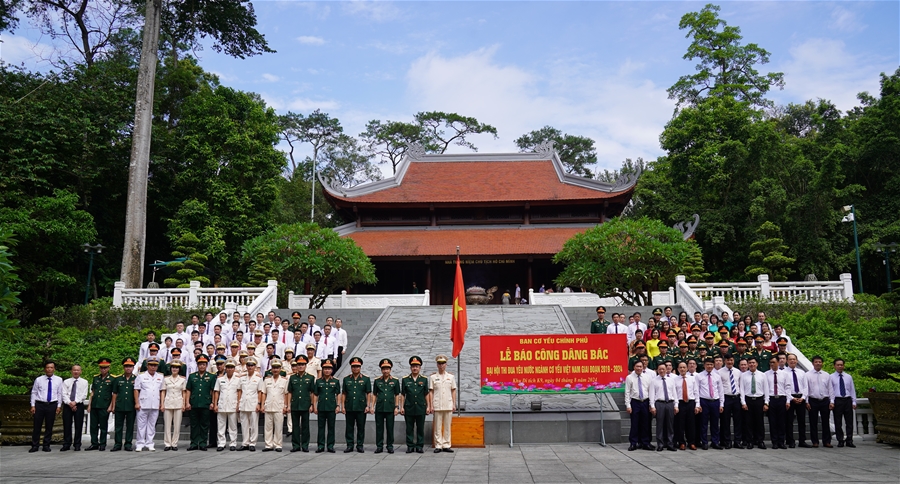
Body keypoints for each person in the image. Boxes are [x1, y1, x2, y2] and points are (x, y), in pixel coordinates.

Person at [30, 361, 63, 453]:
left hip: (52, 404)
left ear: (54, 369)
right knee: (37, 425)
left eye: (51, 367)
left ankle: (46, 445)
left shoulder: (59, 380)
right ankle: (35, 445)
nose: (49, 369)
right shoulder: (39, 379)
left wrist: (59, 406)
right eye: (47, 367)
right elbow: (34, 392)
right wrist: (32, 405)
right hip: (40, 404)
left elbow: (59, 393)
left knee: (49, 426)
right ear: (45, 369)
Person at [185, 354, 215, 451]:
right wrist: (187, 402)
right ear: (197, 365)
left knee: (204, 424)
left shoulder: (211, 376)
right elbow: (188, 390)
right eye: (200, 364)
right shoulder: (192, 376)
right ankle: (193, 443)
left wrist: (213, 402)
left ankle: (202, 443)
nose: (202, 366)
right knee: (194, 424)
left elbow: (213, 391)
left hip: (205, 403)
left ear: (206, 365)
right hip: (194, 403)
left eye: (204, 364)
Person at [342, 356, 372, 453]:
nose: (355, 368)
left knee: (361, 426)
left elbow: (368, 393)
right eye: (354, 366)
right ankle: (349, 445)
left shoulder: (366, 379)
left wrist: (368, 405)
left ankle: (360, 445)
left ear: (360, 367)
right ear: (351, 367)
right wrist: (343, 406)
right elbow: (344, 394)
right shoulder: (346, 379)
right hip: (350, 406)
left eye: (357, 366)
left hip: (361, 407)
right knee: (349, 427)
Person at [134, 358, 164, 452]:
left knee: (151, 425)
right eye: (151, 365)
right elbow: (136, 389)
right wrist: (137, 403)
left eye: (155, 365)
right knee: (141, 425)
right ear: (147, 366)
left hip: (155, 403)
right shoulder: (141, 376)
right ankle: (140, 443)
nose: (153, 367)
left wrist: (161, 404)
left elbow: (162, 390)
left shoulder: (160, 376)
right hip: (143, 403)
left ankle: (150, 443)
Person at [400, 356, 429, 454]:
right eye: (413, 366)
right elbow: (403, 394)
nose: (415, 368)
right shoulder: (405, 380)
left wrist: (428, 406)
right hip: (409, 407)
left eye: (417, 366)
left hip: (421, 407)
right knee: (409, 427)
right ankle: (410, 446)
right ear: (410, 368)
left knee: (420, 427)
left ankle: (420, 446)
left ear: (420, 368)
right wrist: (401, 407)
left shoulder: (424, 379)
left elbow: (426, 394)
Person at [287, 355, 316, 452]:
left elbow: (312, 392)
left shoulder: (310, 378)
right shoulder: (292, 378)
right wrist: (288, 405)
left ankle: (305, 445)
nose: (300, 366)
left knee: (305, 426)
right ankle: (295, 445)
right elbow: (290, 392)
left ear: (306, 366)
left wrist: (312, 404)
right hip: (295, 404)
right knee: (295, 426)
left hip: (305, 404)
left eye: (302, 364)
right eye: (299, 364)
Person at [429, 354, 457, 453]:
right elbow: (431, 392)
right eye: (439, 364)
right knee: (437, 426)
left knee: (447, 426)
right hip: (437, 404)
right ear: (437, 365)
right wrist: (431, 405)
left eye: (443, 363)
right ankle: (438, 445)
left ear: (446, 365)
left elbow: (453, 390)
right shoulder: (433, 377)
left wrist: (454, 403)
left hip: (448, 404)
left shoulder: (451, 377)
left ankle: (446, 444)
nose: (441, 365)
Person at [109, 357, 138, 452]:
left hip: (131, 406)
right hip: (120, 406)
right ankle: (117, 444)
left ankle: (128, 444)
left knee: (130, 426)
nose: (128, 368)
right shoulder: (117, 379)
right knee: (118, 426)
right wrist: (113, 406)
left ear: (133, 367)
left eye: (130, 366)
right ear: (123, 367)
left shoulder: (137, 379)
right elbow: (115, 394)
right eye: (126, 366)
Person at [258, 358, 288, 452]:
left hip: (279, 405)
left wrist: (286, 406)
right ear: (271, 369)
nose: (275, 370)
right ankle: (268, 445)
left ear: (280, 369)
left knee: (278, 427)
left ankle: (278, 445)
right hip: (268, 405)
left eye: (277, 368)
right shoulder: (267, 380)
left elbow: (286, 394)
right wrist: (262, 405)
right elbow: (264, 393)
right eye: (274, 368)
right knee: (268, 427)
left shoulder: (284, 381)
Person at [740, 357, 769, 449]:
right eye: (750, 363)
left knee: (759, 422)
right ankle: (749, 441)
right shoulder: (743, 375)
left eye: (753, 362)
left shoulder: (762, 375)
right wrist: (743, 402)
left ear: (757, 364)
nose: (752, 364)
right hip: (748, 400)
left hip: (759, 400)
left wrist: (766, 402)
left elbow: (766, 389)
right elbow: (742, 390)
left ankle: (760, 441)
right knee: (748, 422)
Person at [373, 358, 401, 454]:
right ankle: (379, 446)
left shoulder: (395, 381)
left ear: (390, 369)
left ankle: (390, 446)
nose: (386, 371)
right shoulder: (377, 381)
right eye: (384, 369)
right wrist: (372, 406)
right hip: (380, 408)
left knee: (390, 428)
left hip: (390, 408)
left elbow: (397, 394)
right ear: (381, 370)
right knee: (379, 428)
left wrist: (396, 407)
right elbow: (375, 394)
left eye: (387, 369)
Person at [85, 358, 114, 451]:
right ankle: (94, 443)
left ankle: (102, 443)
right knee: (93, 426)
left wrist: (111, 406)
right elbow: (92, 392)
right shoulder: (96, 378)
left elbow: (114, 394)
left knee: (103, 426)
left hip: (104, 405)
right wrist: (89, 404)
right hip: (95, 405)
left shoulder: (112, 379)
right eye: (101, 368)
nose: (103, 370)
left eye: (105, 368)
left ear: (109, 368)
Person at [696, 357, 724, 450]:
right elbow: (696, 391)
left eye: (711, 364)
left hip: (715, 401)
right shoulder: (699, 376)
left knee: (715, 423)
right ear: (704, 365)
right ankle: (704, 442)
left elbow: (720, 390)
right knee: (703, 423)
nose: (709, 366)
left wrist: (721, 404)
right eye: (707, 364)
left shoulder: (717, 376)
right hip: (704, 401)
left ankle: (715, 442)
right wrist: (698, 404)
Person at [213, 359, 241, 451]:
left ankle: (233, 443)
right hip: (222, 404)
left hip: (233, 404)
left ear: (234, 369)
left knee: (233, 426)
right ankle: (221, 443)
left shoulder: (238, 379)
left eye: (231, 367)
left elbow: (239, 392)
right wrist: (215, 404)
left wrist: (238, 404)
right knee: (221, 425)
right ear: (225, 368)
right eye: (228, 367)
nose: (229, 369)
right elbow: (216, 392)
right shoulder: (220, 379)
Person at [314, 358, 341, 453]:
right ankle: (320, 445)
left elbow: (338, 394)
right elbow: (315, 394)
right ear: (322, 369)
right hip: (321, 407)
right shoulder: (318, 381)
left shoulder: (336, 381)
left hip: (331, 407)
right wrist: (314, 406)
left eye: (329, 368)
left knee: (331, 427)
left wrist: (338, 405)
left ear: (332, 370)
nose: (327, 370)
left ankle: (330, 445)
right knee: (321, 427)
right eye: (325, 368)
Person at [649, 363, 678, 451]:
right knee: (660, 424)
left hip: (670, 403)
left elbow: (674, 393)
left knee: (670, 424)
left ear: (666, 370)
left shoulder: (671, 380)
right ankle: (660, 444)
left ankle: (670, 443)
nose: (661, 371)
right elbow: (652, 394)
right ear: (657, 370)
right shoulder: (654, 381)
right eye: (660, 369)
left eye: (663, 369)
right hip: (659, 403)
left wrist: (676, 405)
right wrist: (652, 406)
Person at [60, 364, 89, 451]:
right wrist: (70, 403)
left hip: (79, 404)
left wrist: (75, 402)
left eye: (78, 370)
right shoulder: (66, 382)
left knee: (78, 425)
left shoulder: (85, 382)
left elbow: (84, 395)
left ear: (81, 371)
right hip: (67, 405)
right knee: (67, 425)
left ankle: (77, 444)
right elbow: (63, 394)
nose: (76, 372)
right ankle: (66, 443)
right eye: (74, 370)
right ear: (71, 371)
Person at [829, 358, 857, 448]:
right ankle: (840, 440)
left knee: (849, 421)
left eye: (841, 365)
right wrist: (832, 401)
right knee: (838, 422)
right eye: (838, 365)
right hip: (837, 400)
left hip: (847, 399)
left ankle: (849, 439)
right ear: (834, 366)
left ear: (843, 366)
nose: (840, 366)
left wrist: (854, 401)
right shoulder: (831, 377)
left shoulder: (848, 377)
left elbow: (852, 389)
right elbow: (831, 390)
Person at [624, 361, 651, 451]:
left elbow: (650, 390)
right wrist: (628, 405)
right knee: (634, 423)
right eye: (637, 366)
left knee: (645, 423)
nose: (639, 368)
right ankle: (633, 443)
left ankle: (645, 443)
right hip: (635, 402)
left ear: (643, 367)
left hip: (645, 401)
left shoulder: (647, 377)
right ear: (634, 367)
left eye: (640, 366)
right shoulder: (629, 377)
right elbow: (627, 392)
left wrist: (651, 404)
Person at [160, 360, 187, 451]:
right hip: (168, 402)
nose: (174, 369)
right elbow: (163, 391)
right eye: (173, 367)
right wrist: (162, 403)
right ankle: (167, 443)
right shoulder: (166, 379)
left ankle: (174, 443)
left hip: (178, 403)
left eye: (176, 368)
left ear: (179, 369)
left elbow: (184, 392)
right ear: (170, 368)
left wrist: (183, 404)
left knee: (177, 425)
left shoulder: (182, 379)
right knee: (167, 424)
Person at [718, 354, 743, 449]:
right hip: (726, 397)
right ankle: (727, 441)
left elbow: (740, 385)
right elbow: (719, 388)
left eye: (731, 360)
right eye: (728, 360)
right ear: (724, 361)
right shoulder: (719, 372)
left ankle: (737, 441)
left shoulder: (738, 372)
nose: (730, 362)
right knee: (725, 421)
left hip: (736, 397)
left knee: (738, 421)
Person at [672, 361, 698, 450]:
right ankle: (681, 442)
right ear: (678, 369)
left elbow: (696, 392)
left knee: (691, 424)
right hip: (680, 403)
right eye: (680, 367)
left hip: (690, 402)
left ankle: (691, 442)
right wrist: (675, 405)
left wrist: (697, 404)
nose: (682, 369)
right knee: (680, 424)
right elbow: (674, 393)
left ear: (687, 368)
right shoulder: (675, 379)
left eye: (684, 367)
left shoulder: (692, 379)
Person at [238, 357, 262, 451]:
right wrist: (239, 402)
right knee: (244, 424)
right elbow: (239, 390)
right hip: (243, 402)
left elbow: (260, 391)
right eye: (248, 365)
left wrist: (259, 403)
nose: (250, 367)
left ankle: (252, 443)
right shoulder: (242, 378)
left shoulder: (258, 378)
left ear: (255, 367)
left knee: (253, 424)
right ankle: (245, 442)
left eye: (252, 365)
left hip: (253, 403)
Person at [765, 357, 788, 449]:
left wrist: (788, 400)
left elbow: (788, 388)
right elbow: (765, 389)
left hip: (781, 398)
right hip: (771, 399)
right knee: (772, 421)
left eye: (774, 362)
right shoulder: (765, 374)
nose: (772, 364)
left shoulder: (784, 374)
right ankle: (774, 441)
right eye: (770, 362)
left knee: (781, 421)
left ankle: (781, 441)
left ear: (778, 363)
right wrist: (766, 402)